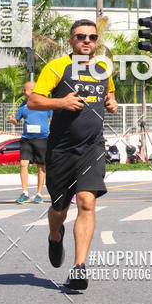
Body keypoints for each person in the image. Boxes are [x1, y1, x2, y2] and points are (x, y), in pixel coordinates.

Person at [28, 19, 118, 290]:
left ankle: (79, 267)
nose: (87, 41)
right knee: (59, 208)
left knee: (87, 202)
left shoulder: (102, 69)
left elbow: (109, 95)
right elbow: (34, 100)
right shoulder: (57, 67)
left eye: (92, 37)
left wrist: (112, 102)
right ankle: (55, 235)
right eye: (81, 36)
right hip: (61, 149)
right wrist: (61, 102)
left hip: (92, 147)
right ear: (71, 41)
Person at [9, 80, 50, 204]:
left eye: (26, 89)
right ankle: (25, 193)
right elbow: (17, 120)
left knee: (41, 166)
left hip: (42, 138)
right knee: (23, 164)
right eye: (25, 90)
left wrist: (51, 130)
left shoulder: (45, 102)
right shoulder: (23, 105)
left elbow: (51, 117)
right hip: (27, 139)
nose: (25, 92)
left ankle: (39, 194)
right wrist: (13, 120)